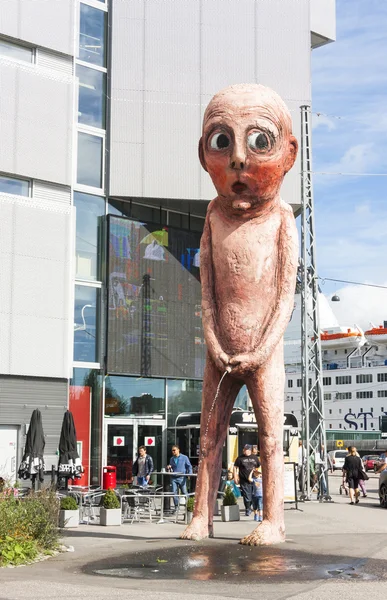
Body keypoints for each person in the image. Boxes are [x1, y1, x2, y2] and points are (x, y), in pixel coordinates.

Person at [233, 444, 260, 516]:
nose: (246, 451)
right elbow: (235, 467)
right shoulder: (240, 458)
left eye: (247, 449)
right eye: (245, 449)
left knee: (254, 494)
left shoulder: (255, 458)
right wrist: (235, 477)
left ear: (250, 450)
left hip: (254, 479)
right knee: (247, 495)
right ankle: (248, 508)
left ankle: (254, 508)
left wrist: (259, 476)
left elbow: (258, 467)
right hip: (244, 479)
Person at [167, 445, 193, 511]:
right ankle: (176, 507)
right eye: (172, 450)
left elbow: (189, 466)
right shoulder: (172, 459)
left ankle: (189, 506)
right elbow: (172, 467)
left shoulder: (184, 458)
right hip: (173, 477)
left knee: (184, 492)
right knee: (174, 492)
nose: (173, 452)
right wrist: (169, 467)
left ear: (178, 450)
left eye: (174, 450)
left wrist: (189, 474)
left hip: (182, 477)